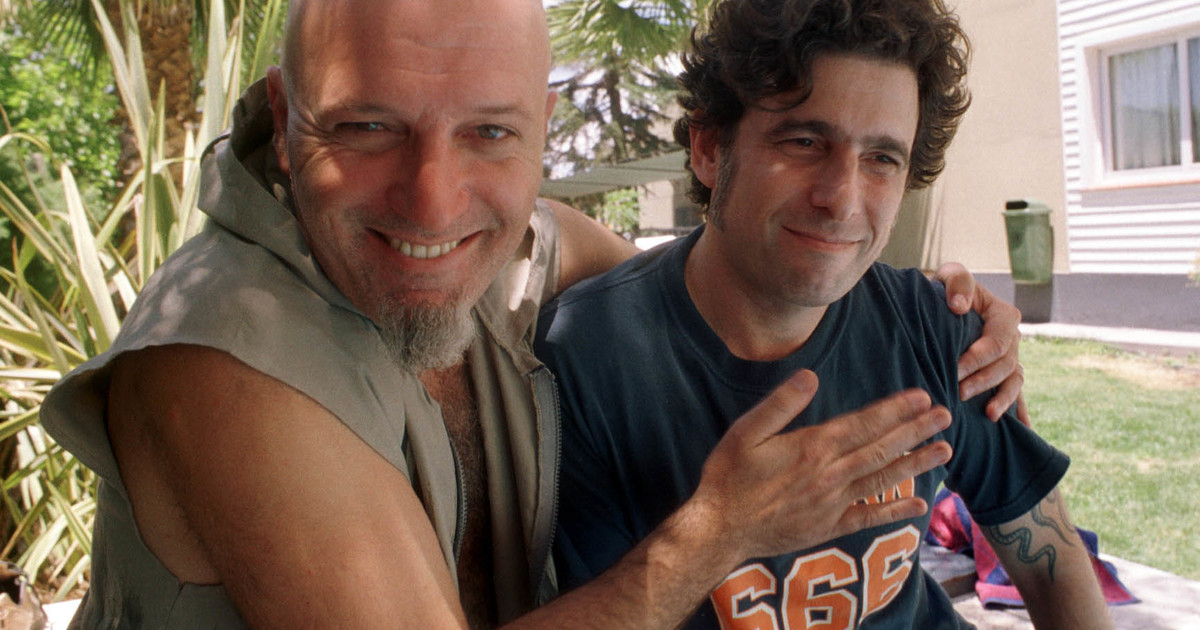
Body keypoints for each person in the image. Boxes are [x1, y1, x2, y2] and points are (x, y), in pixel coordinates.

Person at [40, 0, 1023, 627]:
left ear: (541, 132)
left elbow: (700, 292)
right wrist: (715, 535)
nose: (433, 202)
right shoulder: (232, 364)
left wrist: (942, 310)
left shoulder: (511, 252)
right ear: (288, 126)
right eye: (369, 127)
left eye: (488, 134)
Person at [536, 0, 1115, 628]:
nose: (841, 199)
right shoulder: (582, 362)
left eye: (882, 159)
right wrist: (719, 529)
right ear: (708, 148)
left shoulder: (935, 326)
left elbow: (1052, 562)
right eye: (805, 142)